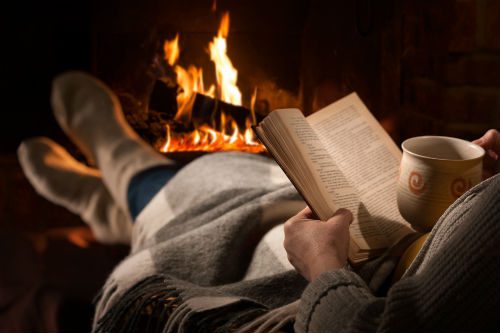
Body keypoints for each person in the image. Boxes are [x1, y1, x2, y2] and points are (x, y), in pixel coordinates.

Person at [17, 71, 500, 332]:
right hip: (405, 241)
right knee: (262, 182)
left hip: (359, 269)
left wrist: (323, 265)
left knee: (225, 195)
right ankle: (119, 198)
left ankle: (125, 168)